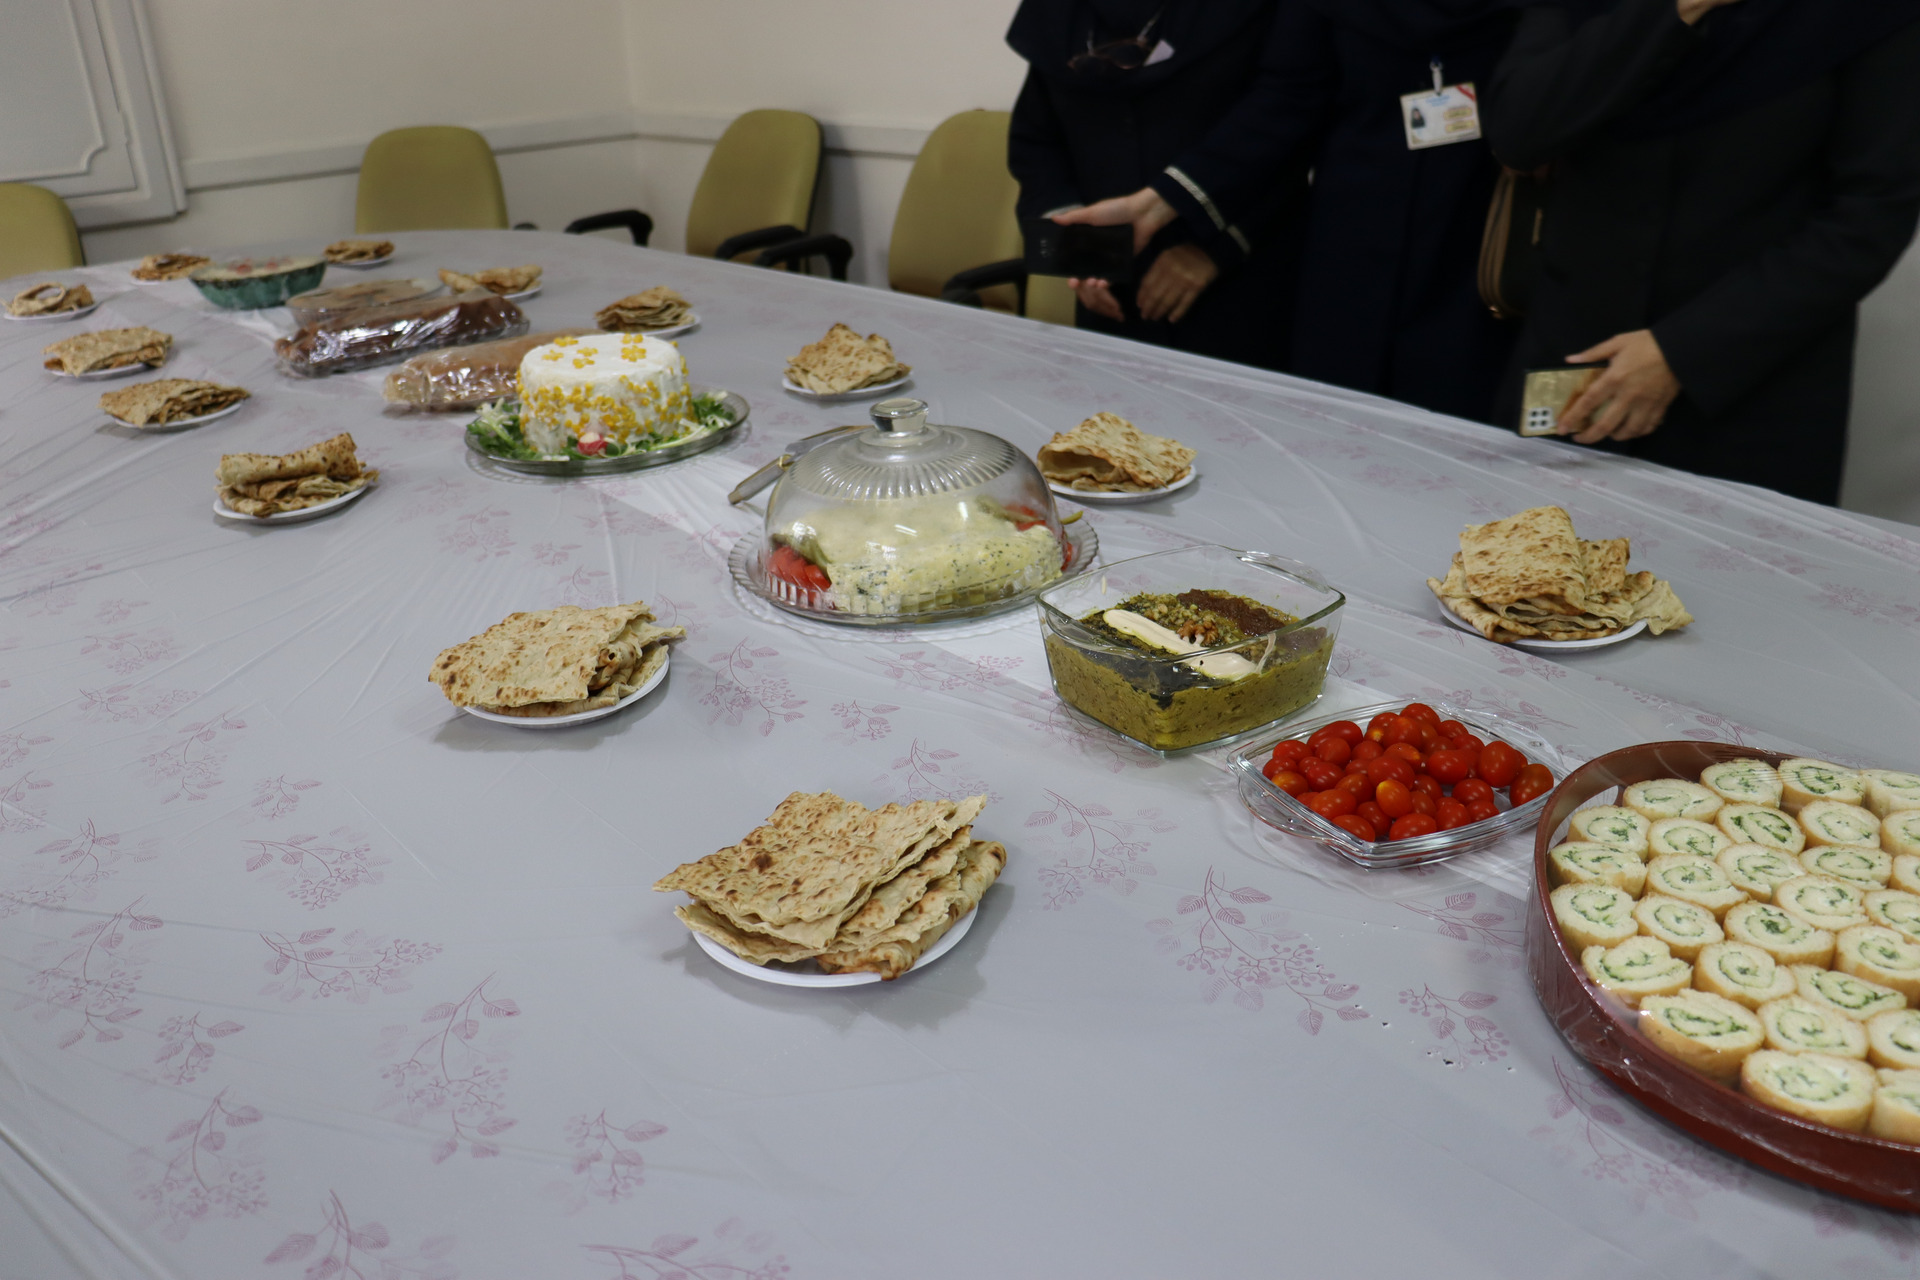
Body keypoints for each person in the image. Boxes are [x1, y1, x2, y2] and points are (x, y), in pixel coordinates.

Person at [1484, 0, 1920, 505]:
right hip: (1575, 362)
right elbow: (1517, 131)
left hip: (1749, 388)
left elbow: (1870, 216)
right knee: (1536, 547)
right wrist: (1676, 8)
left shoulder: (1869, 13)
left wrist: (1680, 353)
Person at [1054, 0, 1521, 421]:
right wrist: (1159, 203)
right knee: (1337, 423)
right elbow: (1288, 99)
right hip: (1349, 246)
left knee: (1465, 424)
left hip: (1483, 246)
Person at [1006, 0, 1307, 368]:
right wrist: (1077, 250)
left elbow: (1291, 126)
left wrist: (1217, 251)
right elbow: (1036, 142)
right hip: (1113, 294)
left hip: (1236, 282)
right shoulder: (1059, 12)